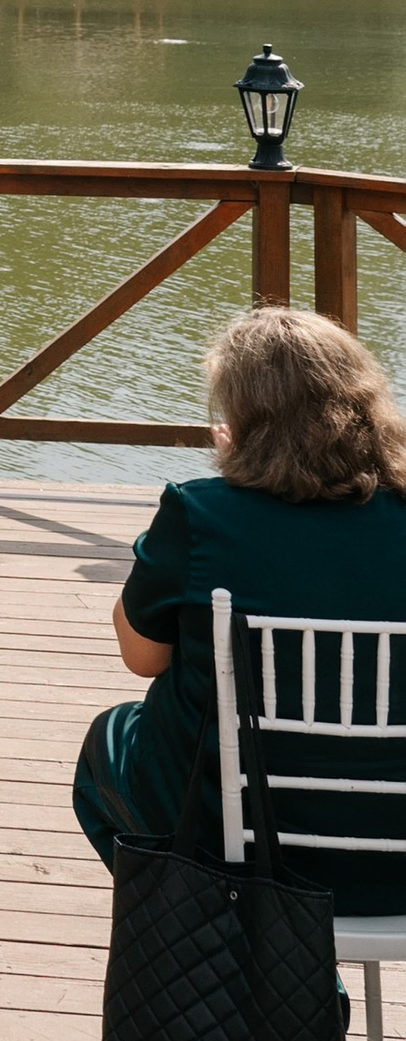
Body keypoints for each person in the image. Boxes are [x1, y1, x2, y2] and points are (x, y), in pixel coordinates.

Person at [77, 311, 406, 892]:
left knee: (109, 743)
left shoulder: (200, 513)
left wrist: (228, 477)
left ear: (244, 420)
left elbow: (142, 657)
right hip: (397, 855)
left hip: (245, 854)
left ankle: (260, 957)